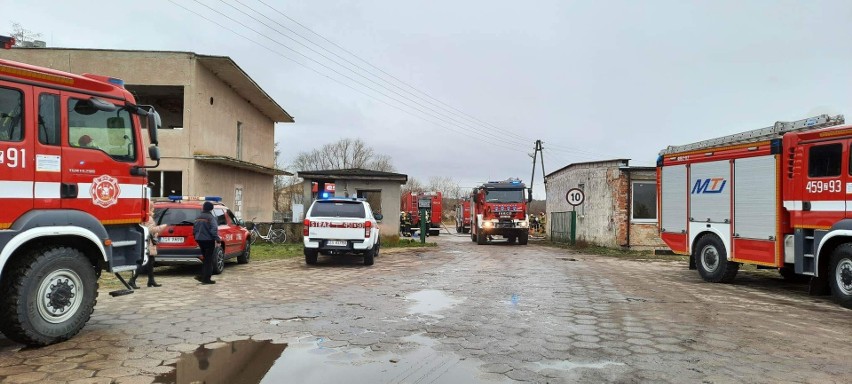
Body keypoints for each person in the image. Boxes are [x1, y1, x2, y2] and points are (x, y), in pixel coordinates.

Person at [129, 205, 167, 289]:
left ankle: (151, 280)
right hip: (148, 242)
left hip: (146, 241)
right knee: (144, 261)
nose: (154, 210)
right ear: (150, 209)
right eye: (153, 208)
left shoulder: (144, 217)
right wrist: (162, 227)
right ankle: (132, 280)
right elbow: (150, 230)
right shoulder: (148, 218)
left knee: (150, 262)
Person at [194, 201, 221, 284]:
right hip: (208, 240)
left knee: (205, 258)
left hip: (199, 239)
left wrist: (196, 237)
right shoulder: (211, 217)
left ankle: (203, 276)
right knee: (208, 259)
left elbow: (194, 229)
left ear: (203, 207)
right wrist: (217, 238)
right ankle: (206, 279)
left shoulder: (197, 217)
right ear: (211, 209)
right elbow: (213, 229)